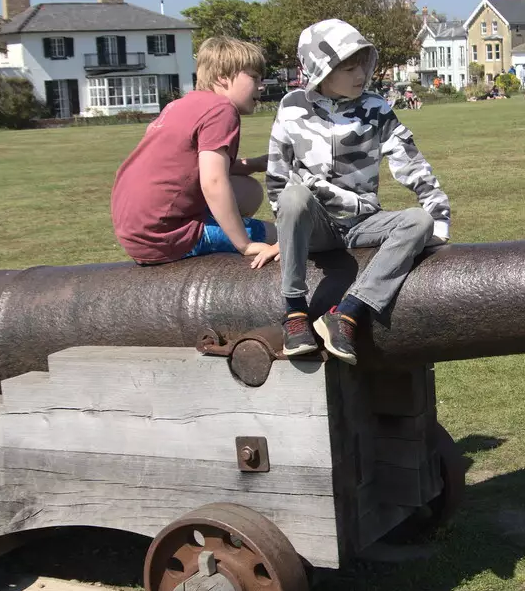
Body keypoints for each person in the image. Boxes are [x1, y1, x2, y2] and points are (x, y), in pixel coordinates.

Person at [267, 19, 451, 363]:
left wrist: (438, 217)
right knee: (293, 194)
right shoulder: (292, 107)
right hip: (316, 223)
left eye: (363, 65)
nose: (360, 75)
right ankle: (294, 311)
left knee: (417, 221)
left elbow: (410, 161)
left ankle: (348, 311)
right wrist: (287, 231)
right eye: (349, 67)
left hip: (362, 221)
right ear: (319, 70)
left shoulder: (376, 109)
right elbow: (277, 175)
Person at [110, 37, 278, 268]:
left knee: (249, 189)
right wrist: (244, 244)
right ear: (222, 77)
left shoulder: (180, 105)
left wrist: (257, 163)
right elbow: (214, 180)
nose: (262, 85)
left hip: (137, 229)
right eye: (254, 77)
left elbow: (196, 165)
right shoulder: (222, 110)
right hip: (165, 236)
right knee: (282, 237)